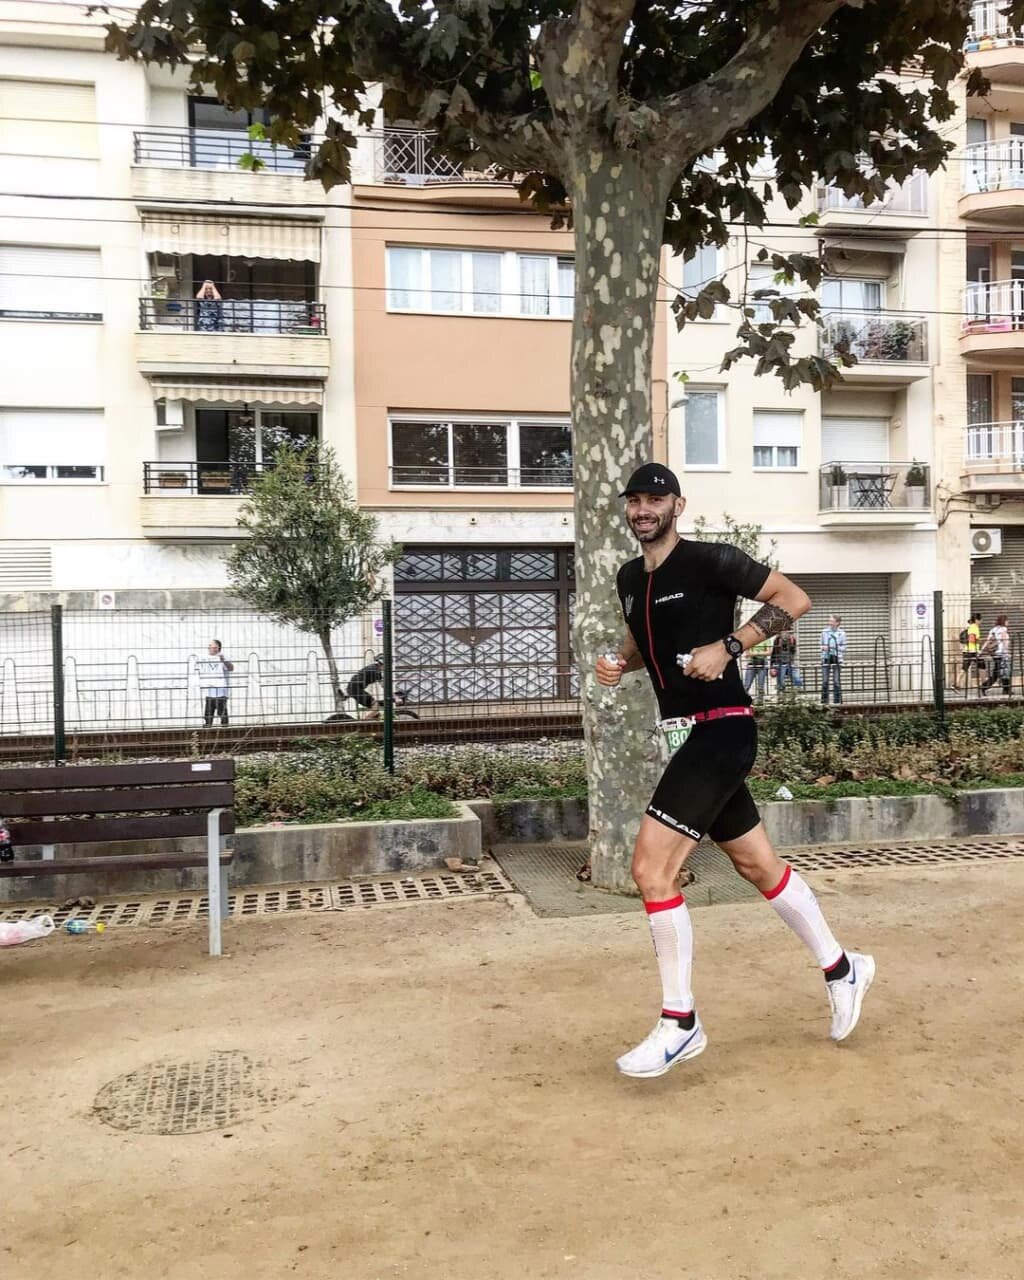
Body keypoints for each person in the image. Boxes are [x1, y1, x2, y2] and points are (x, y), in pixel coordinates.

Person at [596, 463, 874, 1080]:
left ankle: (680, 1022)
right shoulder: (627, 577)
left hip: (722, 729)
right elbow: (648, 638)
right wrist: (620, 661)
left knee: (650, 868)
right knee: (758, 866)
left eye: (655, 499)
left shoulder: (712, 561)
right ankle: (842, 967)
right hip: (683, 736)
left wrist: (731, 645)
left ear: (677, 504)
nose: (644, 509)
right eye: (635, 500)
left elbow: (793, 599)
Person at [197, 639, 233, 726]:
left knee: (222, 713)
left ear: (217, 648)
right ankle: (208, 731)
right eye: (209, 646)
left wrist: (223, 659)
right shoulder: (205, 658)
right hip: (209, 691)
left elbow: (231, 668)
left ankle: (225, 732)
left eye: (211, 646)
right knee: (208, 714)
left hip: (221, 692)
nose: (208, 648)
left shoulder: (223, 657)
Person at [981, 614, 1012, 696]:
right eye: (1007, 620)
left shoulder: (993, 629)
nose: (1008, 622)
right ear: (1004, 621)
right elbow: (1004, 641)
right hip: (1002, 654)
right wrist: (1007, 652)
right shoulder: (1003, 629)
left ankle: (1006, 689)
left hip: (996, 654)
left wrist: (981, 650)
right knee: (1002, 672)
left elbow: (988, 641)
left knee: (1001, 672)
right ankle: (984, 687)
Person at [820, 614, 846, 705]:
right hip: (826, 657)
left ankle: (837, 702)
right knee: (825, 681)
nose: (829, 623)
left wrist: (835, 647)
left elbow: (844, 648)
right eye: (829, 621)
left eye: (831, 621)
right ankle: (824, 702)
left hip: (837, 658)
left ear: (837, 623)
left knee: (836, 681)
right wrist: (823, 647)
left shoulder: (842, 633)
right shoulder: (824, 632)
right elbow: (820, 645)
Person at [954, 612, 983, 693]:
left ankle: (956, 685)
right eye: (980, 619)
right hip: (972, 651)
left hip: (968, 651)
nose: (981, 621)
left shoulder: (971, 626)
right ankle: (984, 685)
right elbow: (971, 639)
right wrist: (978, 642)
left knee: (964, 669)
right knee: (983, 666)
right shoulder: (974, 627)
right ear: (977, 620)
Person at [742, 634, 772, 701]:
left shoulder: (766, 639)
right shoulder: (750, 639)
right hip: (751, 663)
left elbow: (769, 652)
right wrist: (761, 653)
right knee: (747, 685)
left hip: (762, 663)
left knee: (761, 685)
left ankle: (760, 701)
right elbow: (747, 653)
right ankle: (743, 700)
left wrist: (754, 653)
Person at [771, 627, 799, 694]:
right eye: (783, 631)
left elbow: (793, 651)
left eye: (786, 630)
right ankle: (781, 696)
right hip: (780, 662)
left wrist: (791, 644)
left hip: (789, 662)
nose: (784, 632)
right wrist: (772, 666)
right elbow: (774, 652)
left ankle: (793, 696)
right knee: (781, 681)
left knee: (795, 679)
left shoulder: (792, 639)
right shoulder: (777, 639)